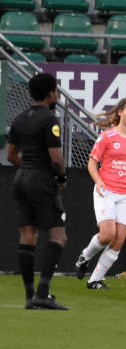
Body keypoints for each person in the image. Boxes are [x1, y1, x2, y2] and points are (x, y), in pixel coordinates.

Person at [75, 98, 126, 290]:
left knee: (119, 238)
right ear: (120, 112)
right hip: (106, 191)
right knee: (107, 234)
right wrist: (98, 181)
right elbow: (91, 162)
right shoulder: (106, 137)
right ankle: (84, 257)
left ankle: (95, 279)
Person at [7, 73, 69, 310]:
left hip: (21, 180)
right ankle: (43, 294)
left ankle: (29, 296)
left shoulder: (20, 118)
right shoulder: (50, 119)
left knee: (28, 235)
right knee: (58, 236)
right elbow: (56, 158)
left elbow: (12, 155)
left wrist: (29, 169)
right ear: (51, 93)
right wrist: (61, 176)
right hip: (41, 181)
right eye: (56, 90)